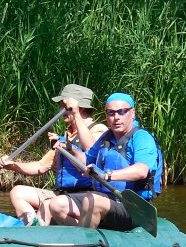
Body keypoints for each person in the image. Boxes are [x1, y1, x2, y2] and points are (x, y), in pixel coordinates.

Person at [40, 92, 164, 231]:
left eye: (122, 112)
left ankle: (84, 239)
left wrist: (107, 175)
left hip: (134, 207)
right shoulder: (106, 137)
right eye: (111, 113)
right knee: (56, 204)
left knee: (93, 201)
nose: (116, 117)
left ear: (132, 113)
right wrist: (70, 148)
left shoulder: (142, 137)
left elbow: (141, 171)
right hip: (107, 198)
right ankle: (82, 236)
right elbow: (86, 160)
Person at [0, 84, 108, 226]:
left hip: (86, 196)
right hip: (62, 194)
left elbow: (91, 150)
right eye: (61, 107)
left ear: (79, 108)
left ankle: (76, 232)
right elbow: (41, 166)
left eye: (64, 107)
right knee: (17, 192)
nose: (61, 111)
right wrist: (12, 165)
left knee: (48, 205)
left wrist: (71, 141)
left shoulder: (98, 130)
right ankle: (33, 227)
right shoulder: (67, 135)